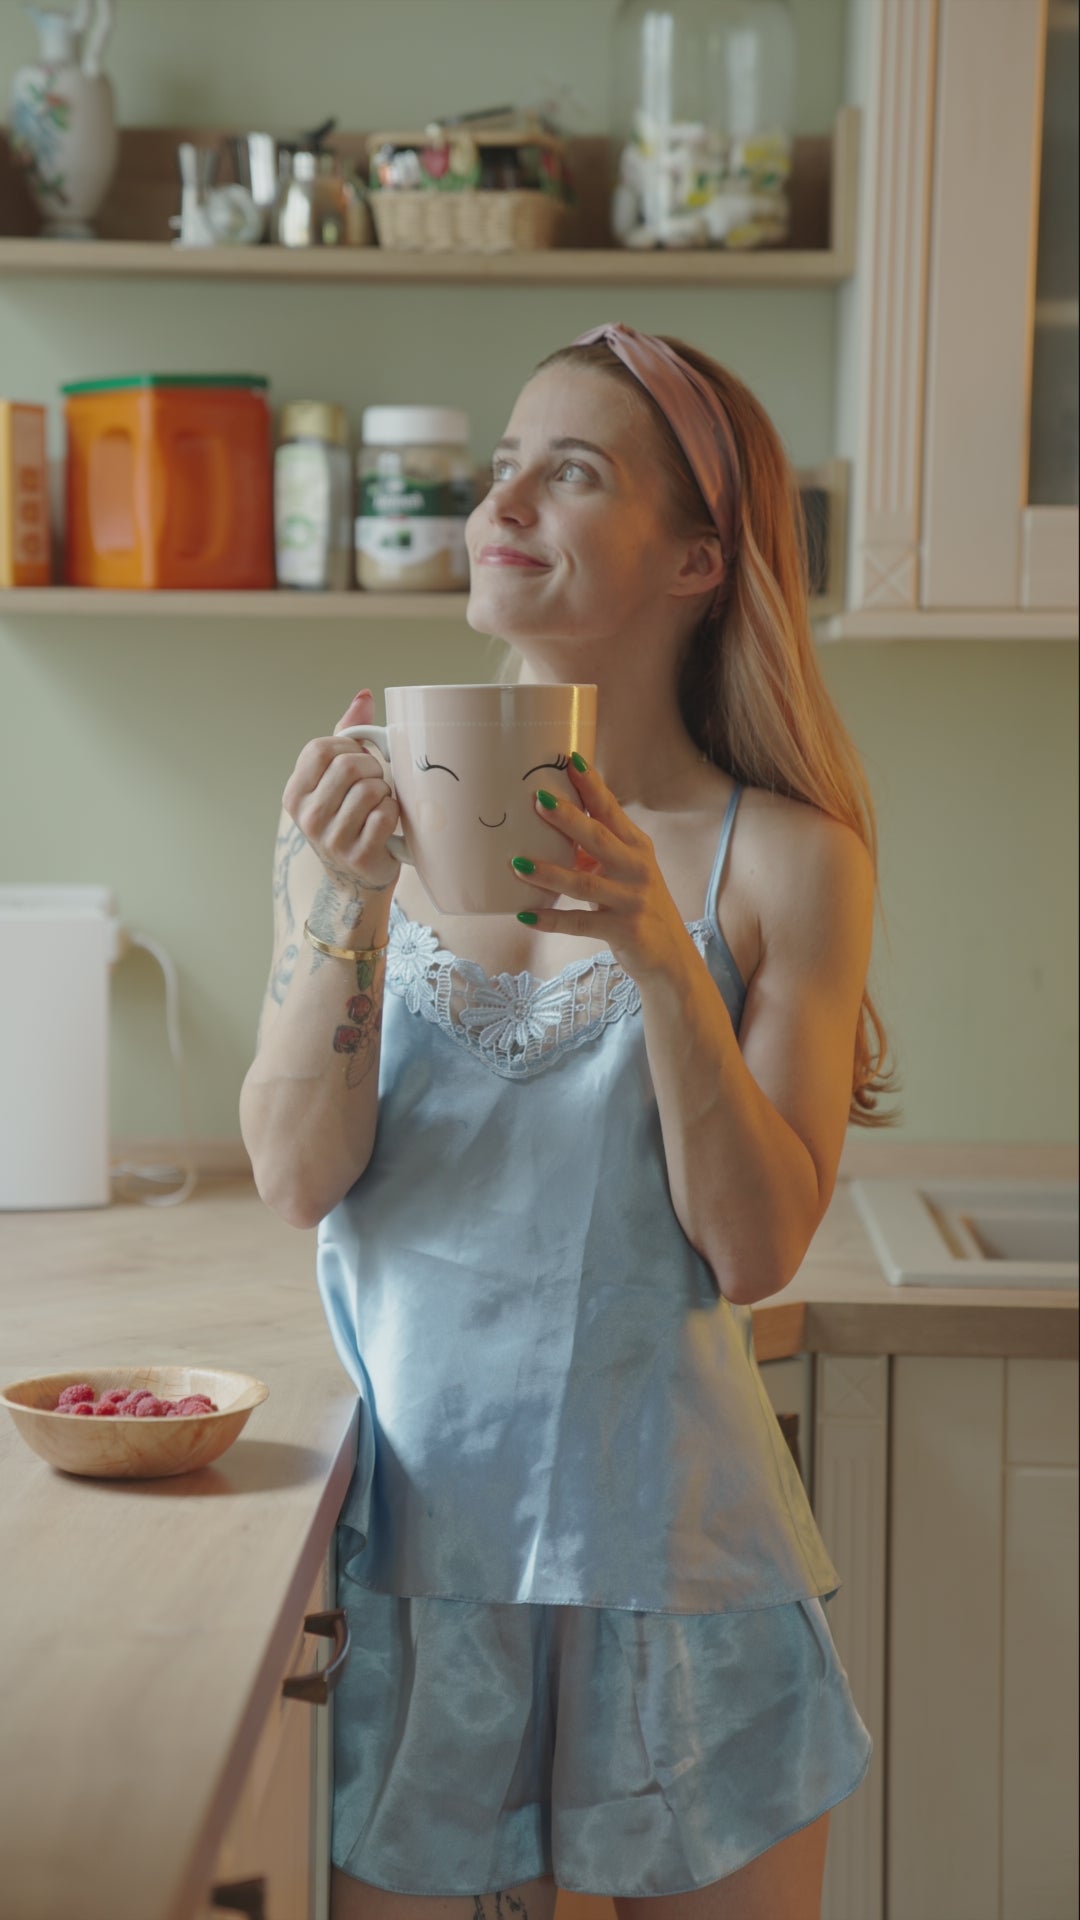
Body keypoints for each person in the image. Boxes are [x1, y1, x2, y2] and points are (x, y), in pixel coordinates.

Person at [240, 322, 897, 1920]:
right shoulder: (349, 818)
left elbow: (755, 1249)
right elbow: (296, 1172)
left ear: (697, 557)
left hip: (686, 1572)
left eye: (574, 471)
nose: (503, 502)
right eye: (503, 466)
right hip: (412, 1575)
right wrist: (343, 902)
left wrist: (663, 954)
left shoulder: (786, 862)